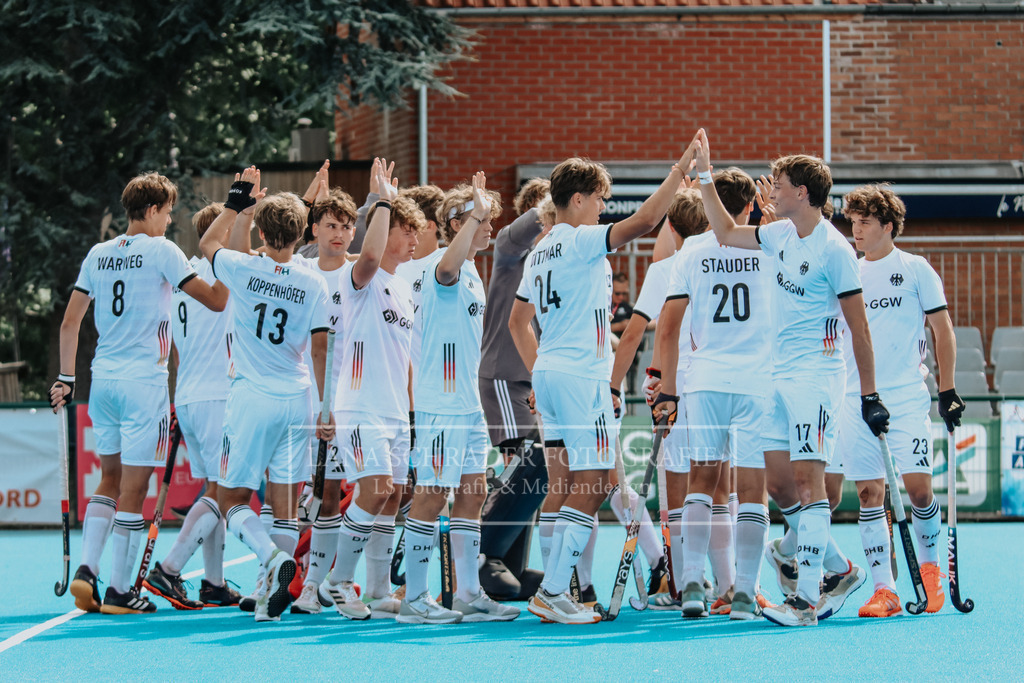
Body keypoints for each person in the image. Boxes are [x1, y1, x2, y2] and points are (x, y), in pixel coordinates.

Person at [684, 129, 888, 627]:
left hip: (815, 377)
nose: (771, 189)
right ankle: (842, 570)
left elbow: (859, 329)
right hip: (773, 376)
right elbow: (725, 232)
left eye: (779, 183)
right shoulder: (777, 235)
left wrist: (870, 394)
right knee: (779, 485)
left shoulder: (835, 250)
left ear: (802, 192)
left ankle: (806, 601)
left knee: (808, 482)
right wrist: (705, 176)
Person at [509, 142, 698, 625]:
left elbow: (517, 323)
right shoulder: (579, 238)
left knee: (566, 485)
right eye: (598, 198)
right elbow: (646, 221)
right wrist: (679, 170)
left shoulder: (539, 251)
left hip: (550, 373)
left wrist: (540, 372)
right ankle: (554, 590)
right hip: (581, 376)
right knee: (594, 483)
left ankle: (561, 590)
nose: (602, 207)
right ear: (577, 199)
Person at [51, 172, 228, 615]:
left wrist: (66, 378)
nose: (169, 222)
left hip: (102, 381)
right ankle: (118, 590)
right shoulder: (162, 250)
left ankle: (87, 569)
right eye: (167, 213)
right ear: (150, 210)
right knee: (135, 487)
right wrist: (231, 266)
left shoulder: (98, 253)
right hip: (143, 384)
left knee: (108, 480)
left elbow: (70, 322)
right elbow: (215, 300)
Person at [199, 167, 334, 622]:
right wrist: (326, 408)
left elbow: (208, 244)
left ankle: (272, 560)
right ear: (303, 233)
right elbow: (321, 349)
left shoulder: (242, 267)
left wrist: (236, 202)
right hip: (297, 398)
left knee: (231, 499)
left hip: (251, 397)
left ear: (260, 232)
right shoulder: (314, 281)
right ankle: (267, 602)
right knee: (285, 505)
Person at [398, 174, 521, 624]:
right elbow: (445, 272)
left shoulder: (471, 271)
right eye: (482, 220)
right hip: (442, 404)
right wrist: (472, 217)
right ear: (457, 223)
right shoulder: (442, 265)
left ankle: (467, 593)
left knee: (472, 494)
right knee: (433, 496)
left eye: (487, 220)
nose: (489, 227)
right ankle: (414, 598)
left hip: (469, 405)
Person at [836, 184, 963, 617]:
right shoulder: (848, 272)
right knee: (869, 493)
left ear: (888, 226)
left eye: (865, 222)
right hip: (856, 397)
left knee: (919, 490)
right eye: (853, 222)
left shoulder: (915, 268)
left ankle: (929, 569)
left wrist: (948, 390)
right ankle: (884, 590)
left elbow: (943, 331)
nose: (856, 230)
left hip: (906, 398)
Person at [655, 171, 774, 620]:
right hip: (756, 380)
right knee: (752, 489)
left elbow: (668, 329)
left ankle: (691, 585)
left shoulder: (691, 250)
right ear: (750, 206)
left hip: (704, 379)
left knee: (701, 483)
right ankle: (744, 592)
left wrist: (668, 391)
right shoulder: (767, 243)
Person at [321, 160, 425, 620]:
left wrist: (412, 414)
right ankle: (338, 581)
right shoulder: (359, 277)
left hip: (395, 410)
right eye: (407, 230)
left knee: (393, 496)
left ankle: (380, 590)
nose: (414, 239)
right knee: (376, 488)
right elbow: (367, 256)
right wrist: (382, 202)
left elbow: (405, 359)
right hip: (361, 405)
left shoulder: (403, 288)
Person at [143, 203, 242, 610]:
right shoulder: (224, 272)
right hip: (217, 395)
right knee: (222, 491)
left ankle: (214, 583)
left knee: (212, 489)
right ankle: (168, 569)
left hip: (188, 394)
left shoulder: (186, 276)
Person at [288, 188, 360, 614]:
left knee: (362, 494)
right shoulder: (300, 269)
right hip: (311, 400)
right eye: (331, 225)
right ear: (314, 230)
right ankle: (300, 582)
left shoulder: (362, 273)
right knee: (316, 494)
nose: (340, 233)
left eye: (347, 226)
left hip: (354, 399)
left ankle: (339, 581)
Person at [477, 178, 547, 600]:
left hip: (535, 376)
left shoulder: (557, 257)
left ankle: (511, 564)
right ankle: (485, 553)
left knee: (535, 472)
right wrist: (559, 200)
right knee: (526, 464)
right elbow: (521, 228)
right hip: (504, 374)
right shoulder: (511, 249)